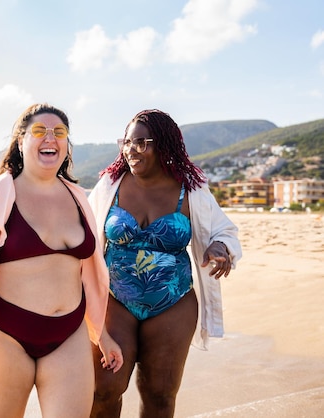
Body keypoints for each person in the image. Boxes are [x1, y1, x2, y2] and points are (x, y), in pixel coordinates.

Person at [0, 103, 123, 418]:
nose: (50, 138)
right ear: (21, 141)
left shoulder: (78, 197)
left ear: (67, 145)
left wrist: (102, 334)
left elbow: (88, 277)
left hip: (70, 333)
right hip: (6, 334)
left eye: (60, 133)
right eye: (39, 131)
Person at [87, 109, 242, 417]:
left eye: (142, 142)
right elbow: (83, 233)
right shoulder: (110, 186)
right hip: (114, 299)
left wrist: (219, 246)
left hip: (174, 302)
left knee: (160, 396)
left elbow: (224, 229)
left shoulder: (192, 190)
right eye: (127, 142)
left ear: (164, 146)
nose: (132, 149)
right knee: (104, 388)